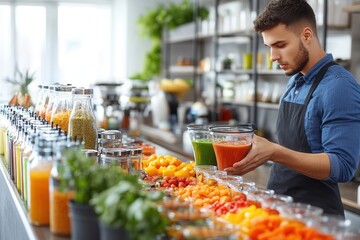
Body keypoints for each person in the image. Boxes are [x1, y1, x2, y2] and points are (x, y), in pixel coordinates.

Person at [225, 0, 360, 217]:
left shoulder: (339, 86)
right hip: (279, 209)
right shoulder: (294, 82)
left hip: (316, 219)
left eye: (280, 45)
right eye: (269, 47)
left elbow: (343, 166)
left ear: (307, 35)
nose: (273, 57)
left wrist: (275, 152)